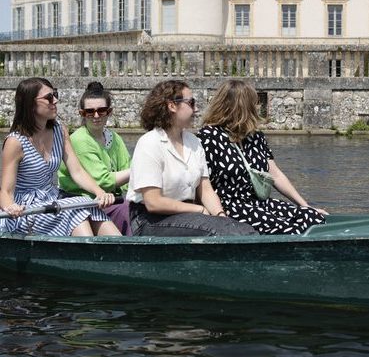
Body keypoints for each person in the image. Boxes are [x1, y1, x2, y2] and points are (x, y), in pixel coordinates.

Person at [126, 79, 256, 237]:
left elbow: (205, 189)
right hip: (150, 220)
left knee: (240, 229)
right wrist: (199, 209)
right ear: (172, 105)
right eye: (191, 103)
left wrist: (221, 216)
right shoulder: (149, 143)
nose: (196, 109)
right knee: (225, 232)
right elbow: (153, 202)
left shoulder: (194, 142)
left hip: (186, 216)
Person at [198, 79, 328, 235]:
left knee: (312, 217)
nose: (258, 106)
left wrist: (305, 205)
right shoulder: (208, 137)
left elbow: (276, 174)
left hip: (259, 203)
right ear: (242, 107)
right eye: (254, 102)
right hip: (230, 207)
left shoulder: (255, 137)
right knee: (289, 229)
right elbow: (202, 185)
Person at [0, 77, 120, 237]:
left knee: (87, 206)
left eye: (55, 94)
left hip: (52, 197)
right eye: (49, 97)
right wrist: (11, 207)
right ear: (30, 104)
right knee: (76, 214)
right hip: (25, 209)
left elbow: (77, 172)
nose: (55, 100)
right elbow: (6, 192)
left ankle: (121, 250)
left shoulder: (60, 130)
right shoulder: (15, 142)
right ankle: (90, 255)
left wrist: (100, 193)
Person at [58, 81, 131, 235]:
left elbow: (126, 175)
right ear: (82, 114)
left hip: (110, 199)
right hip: (84, 200)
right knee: (128, 210)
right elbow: (104, 181)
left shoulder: (114, 138)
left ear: (109, 112)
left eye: (101, 111)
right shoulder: (80, 140)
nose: (96, 116)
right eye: (90, 112)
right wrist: (139, 170)